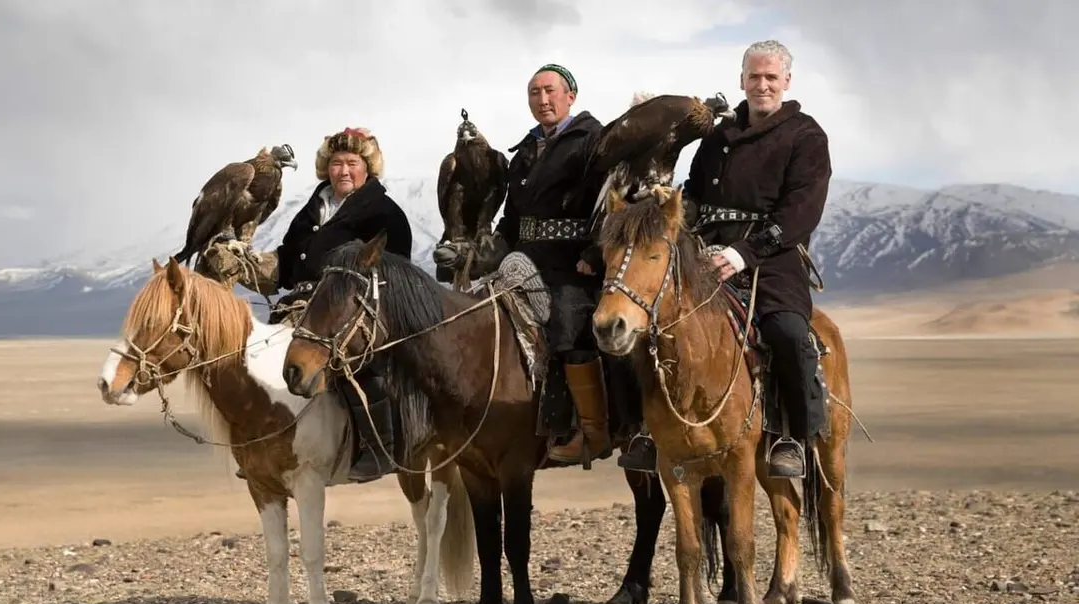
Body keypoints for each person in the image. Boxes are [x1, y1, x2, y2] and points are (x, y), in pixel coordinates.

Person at [456, 63, 658, 469]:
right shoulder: (525, 152)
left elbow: (612, 202)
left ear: (571, 96)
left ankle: (594, 429)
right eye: (535, 93)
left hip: (575, 263)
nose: (543, 99)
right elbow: (512, 218)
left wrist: (593, 253)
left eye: (550, 91)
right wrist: (485, 254)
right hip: (525, 259)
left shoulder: (593, 141)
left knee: (568, 322)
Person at [680, 39, 833, 479]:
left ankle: (792, 435)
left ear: (786, 81)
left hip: (773, 258)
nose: (762, 85)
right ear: (741, 80)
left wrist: (746, 253)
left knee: (786, 331)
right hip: (704, 254)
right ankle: (651, 429)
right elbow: (694, 192)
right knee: (656, 319)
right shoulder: (717, 135)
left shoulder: (805, 136)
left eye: (770, 77)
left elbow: (801, 211)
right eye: (754, 76)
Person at [270, 127, 414, 483]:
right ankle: (269, 446)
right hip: (302, 305)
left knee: (357, 364)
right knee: (263, 357)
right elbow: (287, 263)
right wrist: (249, 265)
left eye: (352, 162)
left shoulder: (383, 212)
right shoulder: (313, 208)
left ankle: (378, 449)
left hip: (355, 309)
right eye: (336, 163)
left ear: (368, 167)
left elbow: (396, 272)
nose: (343, 171)